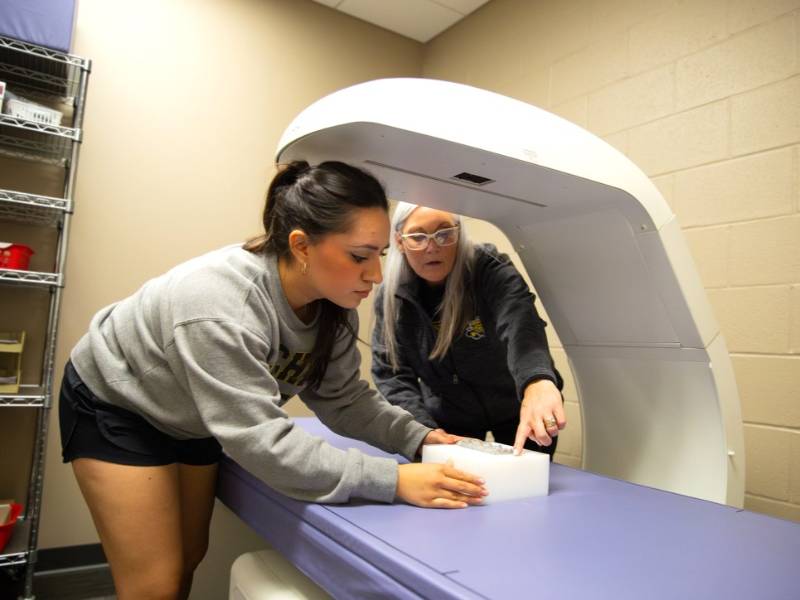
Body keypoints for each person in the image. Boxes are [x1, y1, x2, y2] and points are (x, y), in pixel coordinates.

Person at [59, 162, 487, 600]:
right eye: (359, 256)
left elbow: (343, 399)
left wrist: (421, 439)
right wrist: (394, 481)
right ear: (301, 245)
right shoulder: (218, 303)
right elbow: (263, 442)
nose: (375, 276)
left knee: (189, 555)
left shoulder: (331, 303)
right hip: (119, 403)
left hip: (194, 413)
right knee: (155, 585)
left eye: (379, 255)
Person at [372, 202, 566, 457]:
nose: (432, 247)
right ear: (399, 241)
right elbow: (392, 374)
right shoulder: (392, 298)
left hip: (517, 405)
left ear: (459, 233)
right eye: (418, 236)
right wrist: (423, 431)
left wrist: (538, 381)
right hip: (449, 416)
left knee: (528, 483)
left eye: (444, 233)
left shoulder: (489, 268)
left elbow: (521, 323)